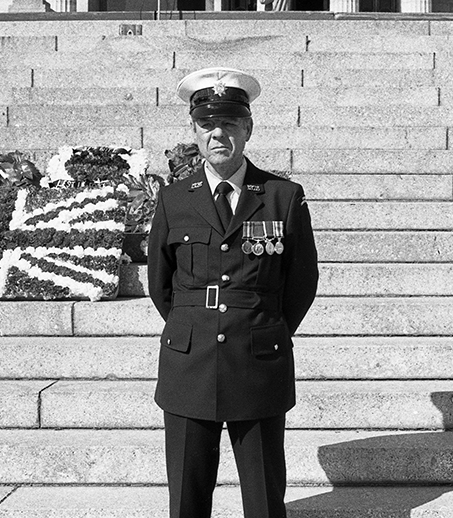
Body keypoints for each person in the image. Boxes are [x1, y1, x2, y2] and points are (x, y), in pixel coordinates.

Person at [148, 67, 318, 518]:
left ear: (248, 128)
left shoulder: (283, 196)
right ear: (195, 129)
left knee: (263, 499)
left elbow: (301, 282)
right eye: (207, 124)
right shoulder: (173, 199)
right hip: (190, 362)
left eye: (229, 123)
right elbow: (160, 285)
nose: (218, 133)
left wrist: (263, 324)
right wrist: (196, 322)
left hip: (258, 359)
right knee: (187, 499)